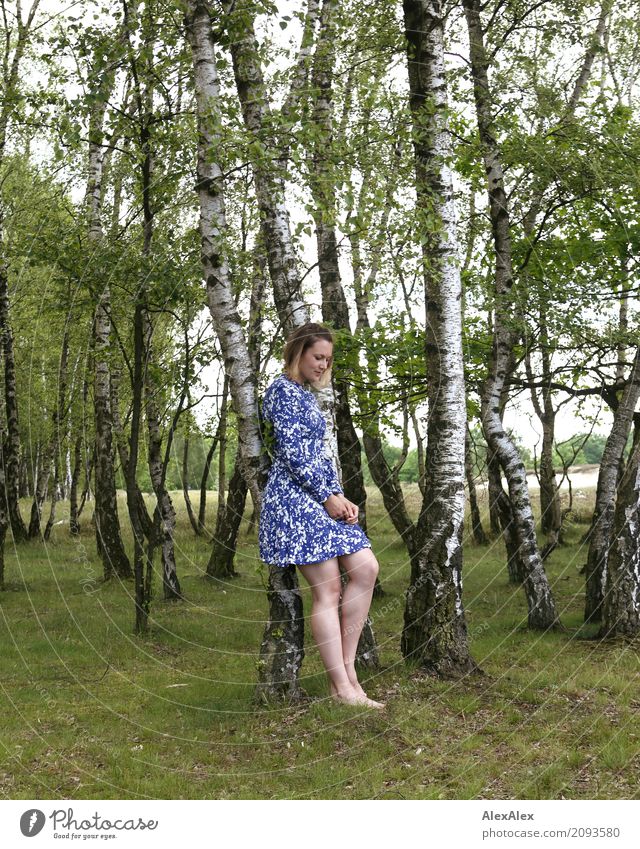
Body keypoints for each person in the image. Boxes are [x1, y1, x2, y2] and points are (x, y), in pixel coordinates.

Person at [259, 322, 385, 709]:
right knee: (328, 589)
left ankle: (346, 675)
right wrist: (329, 497)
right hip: (295, 500)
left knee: (366, 569)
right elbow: (296, 455)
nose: (323, 365)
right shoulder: (282, 392)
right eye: (318, 357)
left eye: (328, 360)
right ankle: (343, 688)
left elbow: (318, 455)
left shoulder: (305, 395)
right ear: (298, 351)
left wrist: (339, 496)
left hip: (321, 496)